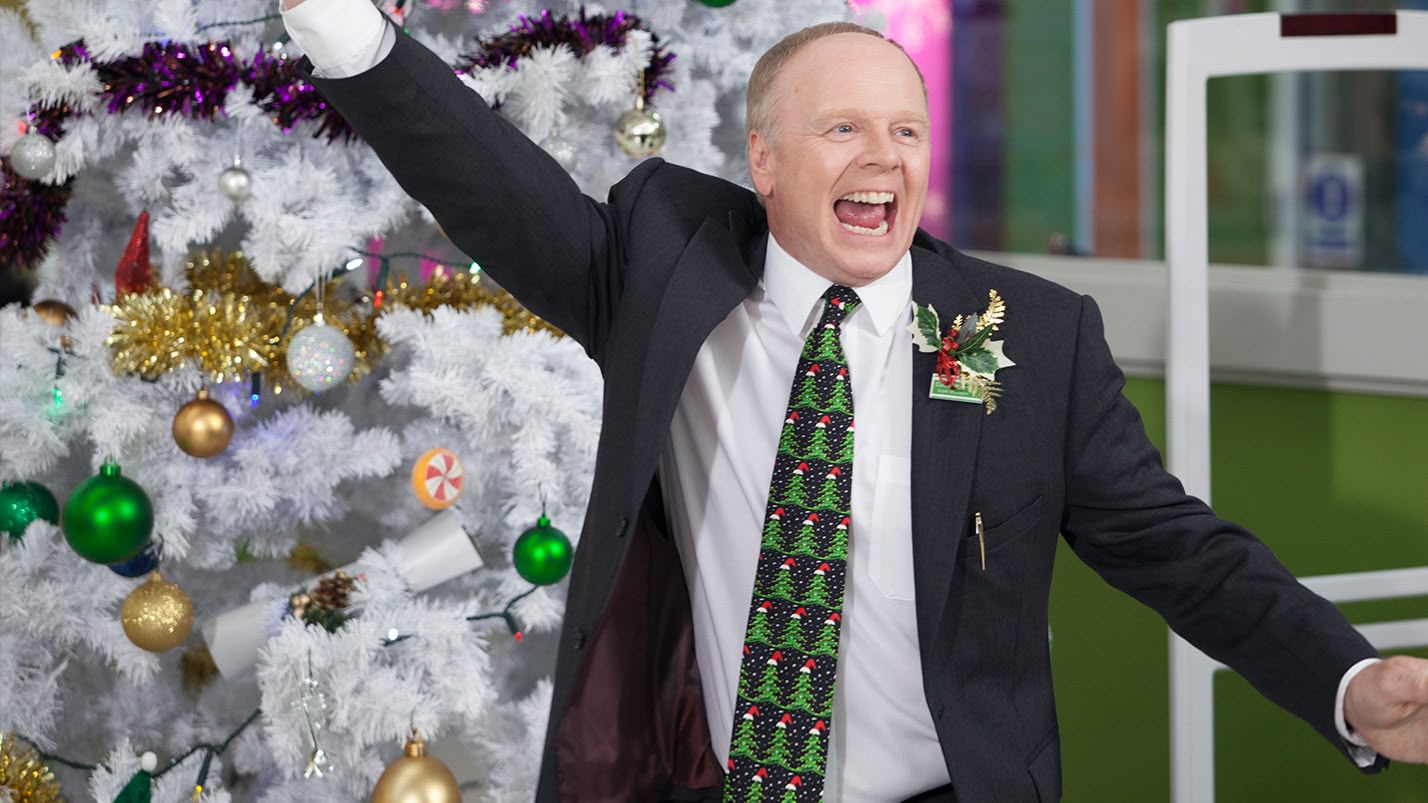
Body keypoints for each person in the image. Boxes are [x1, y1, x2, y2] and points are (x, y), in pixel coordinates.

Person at [281, 3, 1428, 800]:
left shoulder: (1032, 337)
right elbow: (493, 184)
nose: (884, 156)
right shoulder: (663, 276)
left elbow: (1180, 548)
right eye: (844, 129)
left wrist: (1348, 679)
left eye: (906, 130)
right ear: (766, 162)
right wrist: (344, 29)